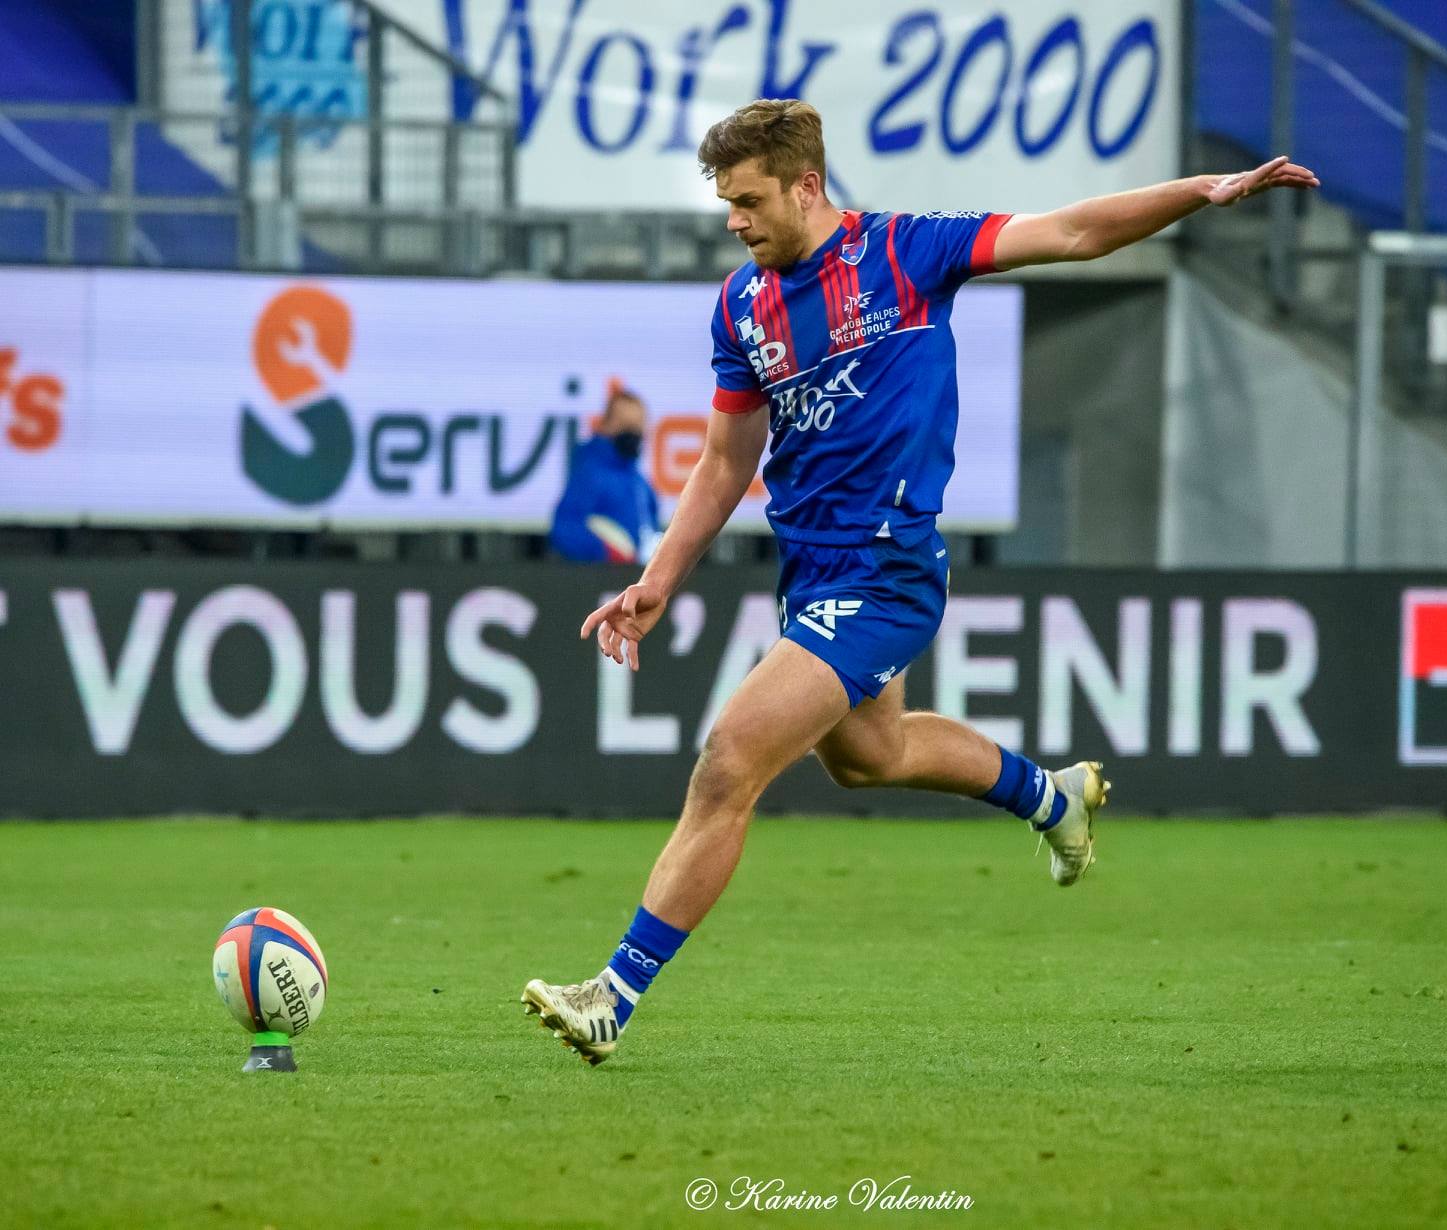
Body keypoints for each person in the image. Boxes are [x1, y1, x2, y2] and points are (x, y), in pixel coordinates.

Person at [523, 100, 1320, 1065]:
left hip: (888, 566)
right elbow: (726, 460)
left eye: (747, 200)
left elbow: (1068, 231)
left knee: (730, 757)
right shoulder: (742, 305)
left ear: (806, 185)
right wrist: (659, 578)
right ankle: (1051, 796)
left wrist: (1199, 191)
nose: (734, 220)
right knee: (870, 755)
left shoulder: (907, 254)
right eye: (726, 203)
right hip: (812, 571)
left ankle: (614, 995)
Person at [548, 379, 659, 564]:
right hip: (599, 583)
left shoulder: (642, 485)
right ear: (605, 424)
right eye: (625, 425)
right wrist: (606, 551)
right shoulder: (589, 475)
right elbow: (564, 528)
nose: (632, 433)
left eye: (637, 426)